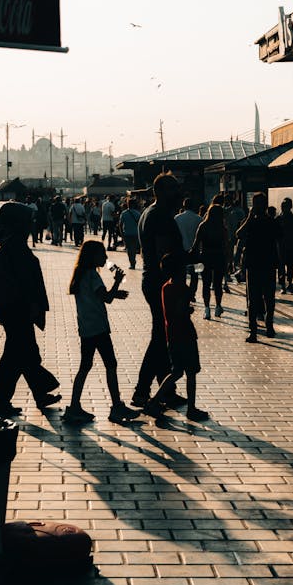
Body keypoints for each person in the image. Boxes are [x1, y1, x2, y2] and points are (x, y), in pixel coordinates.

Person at [0, 202, 61, 417]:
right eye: (28, 220)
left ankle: (40, 392)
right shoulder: (15, 245)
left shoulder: (6, 242)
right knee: (16, 354)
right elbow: (24, 280)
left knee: (24, 350)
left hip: (13, 308)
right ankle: (0, 400)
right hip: (19, 308)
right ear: (18, 222)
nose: (32, 224)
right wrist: (33, 305)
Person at [63, 240, 140, 424]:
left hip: (87, 328)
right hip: (98, 328)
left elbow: (100, 296)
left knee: (85, 366)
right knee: (110, 364)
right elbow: (106, 298)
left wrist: (115, 293)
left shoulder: (81, 275)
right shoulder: (92, 276)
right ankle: (116, 407)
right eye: (102, 255)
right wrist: (117, 283)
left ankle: (74, 406)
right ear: (92, 256)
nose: (106, 258)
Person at [131, 172, 187, 409]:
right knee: (160, 338)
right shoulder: (162, 216)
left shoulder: (148, 213)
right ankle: (141, 391)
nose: (179, 194)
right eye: (174, 189)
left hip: (151, 280)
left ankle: (166, 389)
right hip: (161, 283)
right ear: (162, 191)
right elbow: (166, 256)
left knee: (162, 337)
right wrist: (190, 257)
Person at [143, 252, 208, 422]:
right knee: (191, 372)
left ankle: (154, 401)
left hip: (172, 336)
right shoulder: (180, 288)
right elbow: (181, 309)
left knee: (176, 372)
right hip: (185, 334)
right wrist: (192, 287)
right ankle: (192, 409)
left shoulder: (166, 286)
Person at [237, 192, 280, 342]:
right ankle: (255, 330)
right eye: (256, 204)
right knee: (256, 299)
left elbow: (279, 240)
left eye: (260, 203)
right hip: (255, 264)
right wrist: (249, 218)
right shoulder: (250, 222)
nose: (258, 207)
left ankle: (267, 327)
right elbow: (239, 234)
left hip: (265, 264)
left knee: (267, 298)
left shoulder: (271, 222)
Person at [191, 203, 228, 320]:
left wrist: (193, 259)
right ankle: (218, 306)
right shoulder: (222, 228)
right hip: (219, 257)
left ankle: (207, 309)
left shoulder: (203, 226)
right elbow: (226, 246)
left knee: (205, 284)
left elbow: (196, 244)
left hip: (204, 257)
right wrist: (228, 262)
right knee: (218, 284)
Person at [175, 198, 202, 301]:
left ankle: (183, 293)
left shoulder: (177, 218)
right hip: (195, 251)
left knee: (181, 274)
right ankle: (192, 294)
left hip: (181, 251)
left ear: (184, 206)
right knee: (195, 275)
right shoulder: (199, 219)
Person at [277, 197, 293, 294]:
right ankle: (282, 285)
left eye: (285, 206)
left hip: (290, 245)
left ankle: (289, 283)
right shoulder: (278, 219)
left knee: (290, 265)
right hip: (280, 246)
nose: (283, 207)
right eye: (283, 205)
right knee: (281, 265)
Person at [119, 197, 141, 269]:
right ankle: (133, 261)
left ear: (128, 204)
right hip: (135, 234)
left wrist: (122, 233)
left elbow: (120, 224)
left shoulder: (124, 213)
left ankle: (132, 262)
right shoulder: (138, 213)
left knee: (129, 249)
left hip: (127, 234)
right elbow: (140, 225)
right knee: (134, 248)